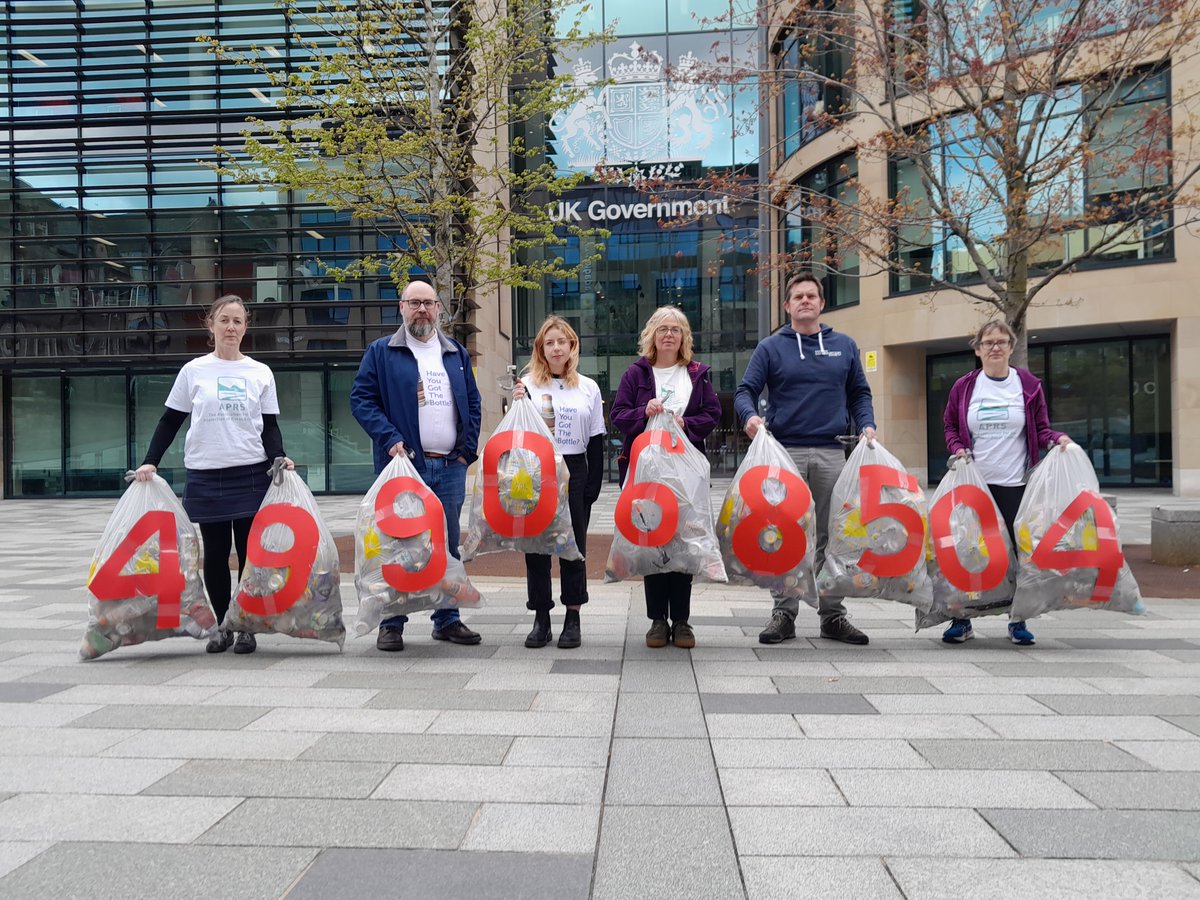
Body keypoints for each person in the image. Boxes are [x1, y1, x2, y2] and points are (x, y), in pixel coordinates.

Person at [134, 294, 293, 655]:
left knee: (249, 555)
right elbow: (170, 420)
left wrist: (280, 456)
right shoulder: (194, 371)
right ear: (211, 325)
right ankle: (223, 625)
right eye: (224, 320)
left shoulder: (259, 372)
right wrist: (150, 460)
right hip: (207, 474)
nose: (231, 327)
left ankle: (246, 624)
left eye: (238, 321)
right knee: (217, 554)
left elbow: (269, 427)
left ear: (246, 327)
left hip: (252, 472)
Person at [734, 271, 875, 646]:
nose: (805, 301)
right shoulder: (771, 347)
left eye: (811, 296)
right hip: (785, 454)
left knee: (834, 534)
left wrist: (868, 426)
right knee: (783, 534)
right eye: (798, 297)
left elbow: (860, 393)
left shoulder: (844, 346)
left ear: (822, 303)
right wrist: (750, 417)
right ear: (787, 305)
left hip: (833, 452)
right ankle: (784, 612)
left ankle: (832, 614)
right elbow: (744, 390)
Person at [350, 279, 483, 652]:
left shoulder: (455, 353)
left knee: (447, 544)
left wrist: (465, 451)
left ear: (438, 308)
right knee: (398, 544)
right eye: (414, 303)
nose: (422, 309)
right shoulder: (382, 352)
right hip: (404, 466)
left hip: (450, 467)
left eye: (428, 303)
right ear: (401, 307)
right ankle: (392, 623)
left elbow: (473, 404)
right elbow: (362, 400)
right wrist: (391, 438)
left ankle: (447, 619)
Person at [942, 320, 1072, 645]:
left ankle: (1018, 620)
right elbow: (950, 428)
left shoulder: (1027, 385)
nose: (995, 347)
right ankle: (962, 619)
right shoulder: (964, 387)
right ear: (978, 349)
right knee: (970, 552)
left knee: (1017, 554)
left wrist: (1056, 438)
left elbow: (1041, 429)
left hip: (1015, 485)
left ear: (1011, 347)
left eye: (1002, 342)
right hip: (975, 484)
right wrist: (958, 448)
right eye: (988, 343)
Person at [610, 306, 722, 649]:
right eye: (662, 329)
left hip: (685, 474)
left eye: (675, 329)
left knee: (684, 543)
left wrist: (688, 424)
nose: (669, 335)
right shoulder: (636, 374)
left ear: (684, 337)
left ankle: (683, 621)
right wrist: (643, 412)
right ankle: (658, 620)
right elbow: (618, 415)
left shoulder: (696, 374)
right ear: (652, 336)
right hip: (646, 472)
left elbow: (713, 413)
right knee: (652, 540)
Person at [511, 316, 605, 649]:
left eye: (561, 342)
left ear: (571, 347)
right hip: (536, 471)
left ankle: (573, 617)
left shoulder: (588, 387)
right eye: (549, 342)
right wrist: (516, 399)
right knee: (536, 549)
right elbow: (516, 434)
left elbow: (596, 439)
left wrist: (592, 484)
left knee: (573, 548)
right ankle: (541, 619)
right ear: (541, 348)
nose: (555, 347)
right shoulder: (527, 386)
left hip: (575, 469)